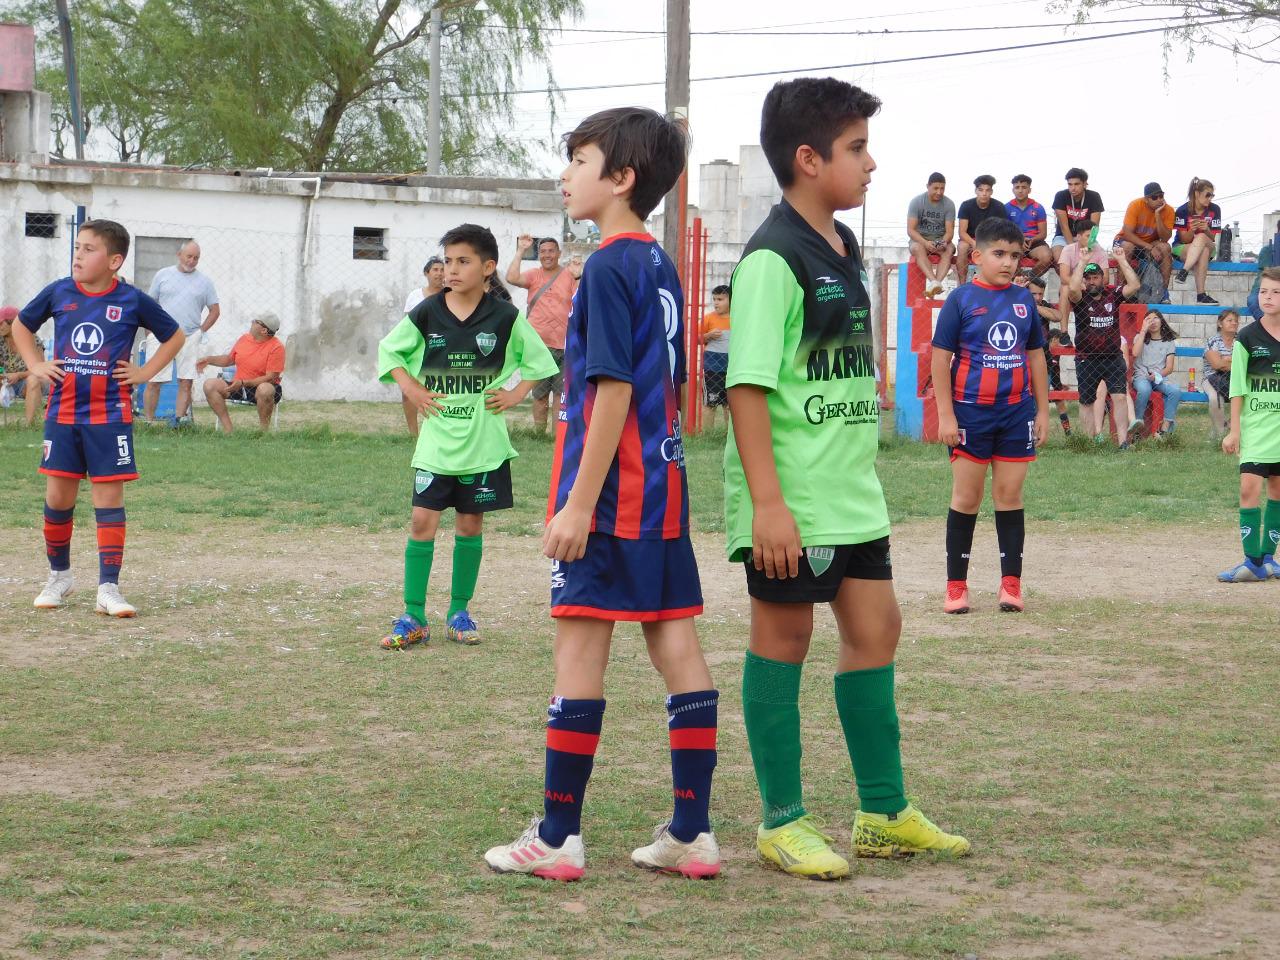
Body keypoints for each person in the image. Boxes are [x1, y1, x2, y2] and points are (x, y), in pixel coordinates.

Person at [724, 77, 968, 881]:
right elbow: (748, 386)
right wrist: (768, 505)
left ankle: (882, 811)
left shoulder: (842, 246)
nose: (871, 163)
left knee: (877, 632)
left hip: (853, 495)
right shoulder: (770, 258)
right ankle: (782, 821)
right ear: (807, 158)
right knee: (784, 641)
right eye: (856, 147)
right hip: (791, 501)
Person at [485, 107, 721, 882]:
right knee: (676, 646)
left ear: (621, 178)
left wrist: (578, 504)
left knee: (579, 645)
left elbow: (612, 391)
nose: (566, 174)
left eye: (579, 160)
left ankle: (557, 837)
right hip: (661, 491)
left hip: (613, 496)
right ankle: (692, 832)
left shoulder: (610, 266)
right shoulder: (657, 264)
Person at [376, 223, 558, 650]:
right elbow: (391, 351)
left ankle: (460, 611)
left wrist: (514, 394)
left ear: (488, 267)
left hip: (483, 442)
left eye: (463, 261)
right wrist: (414, 389)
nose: (451, 270)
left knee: (470, 524)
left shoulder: (506, 317)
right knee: (422, 521)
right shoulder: (427, 311)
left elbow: (538, 361)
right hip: (437, 440)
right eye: (447, 262)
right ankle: (414, 615)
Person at [10, 219, 184, 617]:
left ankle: (109, 588)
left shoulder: (132, 300)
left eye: (89, 249)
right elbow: (22, 325)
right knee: (58, 498)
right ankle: (59, 576)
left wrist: (143, 373)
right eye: (77, 247)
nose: (78, 254)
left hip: (110, 414)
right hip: (64, 413)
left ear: (114, 260)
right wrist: (35, 364)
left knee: (108, 497)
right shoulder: (59, 292)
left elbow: (174, 336)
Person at [932, 218, 1048, 616]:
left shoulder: (1024, 300)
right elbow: (939, 359)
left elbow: (1036, 357)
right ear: (977, 255)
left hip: (1016, 415)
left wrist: (1043, 412)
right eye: (999, 253)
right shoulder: (960, 300)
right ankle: (955, 587)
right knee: (966, 498)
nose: (1009, 262)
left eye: (1015, 255)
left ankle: (1010, 584)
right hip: (969, 415)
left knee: (1010, 497)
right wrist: (946, 416)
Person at [1219, 267, 1280, 582]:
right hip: (1256, 429)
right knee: (1248, 489)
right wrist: (1235, 430)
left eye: (1276, 292)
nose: (1268, 297)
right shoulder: (1247, 336)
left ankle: (1269, 559)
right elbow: (1238, 387)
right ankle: (1252, 562)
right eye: (1264, 291)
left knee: (1277, 491)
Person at [505, 235, 583, 433]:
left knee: (560, 394)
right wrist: (522, 250)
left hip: (564, 345)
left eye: (551, 251)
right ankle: (539, 434)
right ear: (539, 255)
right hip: (538, 347)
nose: (547, 255)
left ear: (559, 254)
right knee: (539, 395)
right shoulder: (534, 275)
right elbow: (511, 278)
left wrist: (579, 276)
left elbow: (582, 301)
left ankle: (557, 435)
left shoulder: (569, 275)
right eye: (543, 251)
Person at [141, 240, 220, 424]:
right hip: (162, 336)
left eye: (196, 258)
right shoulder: (163, 275)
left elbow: (215, 311)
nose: (192, 261)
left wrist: (201, 331)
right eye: (189, 256)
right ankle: (149, 422)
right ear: (179, 255)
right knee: (153, 380)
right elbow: (149, 305)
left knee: (186, 381)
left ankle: (178, 422)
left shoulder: (205, 282)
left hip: (190, 337)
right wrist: (150, 331)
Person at [1066, 255, 1141, 446]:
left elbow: (1134, 286)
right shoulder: (1080, 298)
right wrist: (1081, 261)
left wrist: (1122, 260)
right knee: (1087, 401)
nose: (1092, 282)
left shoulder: (1112, 294)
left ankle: (1124, 442)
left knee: (1120, 397)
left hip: (1113, 357)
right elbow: (1072, 288)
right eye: (1088, 278)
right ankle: (1088, 443)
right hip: (1087, 358)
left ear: (1102, 278)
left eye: (1096, 277)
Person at [197, 316, 285, 432]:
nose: (252, 322)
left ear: (264, 330)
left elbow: (270, 377)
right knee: (210, 385)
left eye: (256, 321)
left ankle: (264, 432)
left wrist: (244, 382)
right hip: (239, 385)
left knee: (265, 389)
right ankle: (229, 430)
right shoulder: (244, 338)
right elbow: (229, 359)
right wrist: (208, 360)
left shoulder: (277, 347)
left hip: (264, 387)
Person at [399, 256, 446, 437]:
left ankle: (436, 431)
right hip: (417, 349)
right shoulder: (415, 296)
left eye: (442, 270)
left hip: (441, 348)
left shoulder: (450, 294)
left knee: (437, 391)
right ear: (427, 273)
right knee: (409, 390)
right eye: (435, 269)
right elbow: (406, 325)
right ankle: (414, 434)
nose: (439, 273)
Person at [1020, 274, 1072, 435]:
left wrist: (1035, 306)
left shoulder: (1042, 305)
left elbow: (1058, 316)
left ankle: (1036, 434)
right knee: (1023, 399)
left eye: (1040, 294)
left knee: (1040, 399)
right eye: (1033, 294)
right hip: (1021, 358)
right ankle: (1023, 433)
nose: (1037, 297)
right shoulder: (1018, 303)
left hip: (1043, 359)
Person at [1129, 308, 1181, 440]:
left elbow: (1169, 368)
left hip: (1159, 378)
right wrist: (1143, 331)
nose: (1152, 321)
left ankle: (1165, 427)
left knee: (1174, 390)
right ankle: (1137, 425)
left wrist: (1158, 374)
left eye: (1156, 318)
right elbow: (1135, 353)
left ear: (1161, 321)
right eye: (1148, 319)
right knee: (1145, 389)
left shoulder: (1169, 342)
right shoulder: (1140, 337)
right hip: (1141, 376)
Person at [1115, 182, 1174, 295]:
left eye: (1161, 196)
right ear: (1146, 199)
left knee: (1165, 247)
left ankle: (1163, 293)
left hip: (1149, 244)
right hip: (1128, 241)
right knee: (1127, 247)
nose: (1159, 200)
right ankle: (1119, 292)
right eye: (1154, 197)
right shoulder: (1135, 205)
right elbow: (1127, 234)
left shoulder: (1168, 210)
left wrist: (1157, 215)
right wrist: (1150, 247)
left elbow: (1165, 238)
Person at [1173, 177, 1222, 304]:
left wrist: (1205, 229)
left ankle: (1184, 271)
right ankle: (1201, 295)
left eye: (1212, 195)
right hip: (1184, 247)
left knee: (1202, 238)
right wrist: (1192, 230)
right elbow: (1184, 239)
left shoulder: (1214, 209)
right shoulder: (1182, 210)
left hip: (1208, 243)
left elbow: (1212, 237)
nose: (1210, 198)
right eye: (1207, 195)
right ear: (1197, 193)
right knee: (1203, 251)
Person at [906, 172, 955, 298]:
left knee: (949, 249)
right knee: (917, 248)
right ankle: (934, 282)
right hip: (920, 240)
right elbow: (911, 230)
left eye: (942, 188)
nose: (939, 192)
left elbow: (949, 232)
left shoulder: (949, 204)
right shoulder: (916, 202)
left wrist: (941, 242)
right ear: (928, 186)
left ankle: (935, 284)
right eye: (936, 188)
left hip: (940, 240)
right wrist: (925, 243)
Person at [0, 304, 48, 426]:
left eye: (1, 323)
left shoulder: (31, 339)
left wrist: (18, 375)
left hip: (27, 382)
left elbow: (40, 369)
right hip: (7, 382)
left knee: (33, 380)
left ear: (12, 323)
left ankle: (29, 424)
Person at [956, 175, 1006, 285]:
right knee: (962, 247)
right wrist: (974, 243)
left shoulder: (999, 207)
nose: (984, 193)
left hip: (990, 240)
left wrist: (985, 243)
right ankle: (962, 284)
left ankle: (993, 283)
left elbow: (1002, 231)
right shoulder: (966, 205)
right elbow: (962, 232)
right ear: (976, 191)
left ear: (991, 192)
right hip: (970, 240)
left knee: (1000, 249)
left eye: (987, 190)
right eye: (981, 190)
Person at [1050, 167, 1104, 263]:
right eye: (1070, 184)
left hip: (1086, 236)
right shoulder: (1061, 196)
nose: (1073, 188)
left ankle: (1085, 278)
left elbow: (1094, 228)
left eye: (1077, 184)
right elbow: (1064, 226)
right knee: (1060, 259)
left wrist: (1088, 246)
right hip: (1063, 236)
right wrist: (1073, 249)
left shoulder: (1094, 197)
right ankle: (1068, 278)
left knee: (1097, 259)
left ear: (1085, 184)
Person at [1203, 308, 1239, 440]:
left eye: (1236, 321)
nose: (1234, 323)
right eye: (1229, 320)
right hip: (1211, 378)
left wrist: (1225, 360)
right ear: (1220, 323)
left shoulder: (1241, 341)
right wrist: (1233, 360)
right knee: (1214, 398)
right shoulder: (1213, 341)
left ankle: (1227, 425)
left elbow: (1247, 364)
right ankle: (1219, 435)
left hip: (1234, 377)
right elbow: (1216, 365)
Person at [1006, 174, 1052, 277]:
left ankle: (1028, 279)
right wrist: (1020, 240)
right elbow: (1005, 232)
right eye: (1017, 187)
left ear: (1029, 190)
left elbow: (1043, 233)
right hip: (1015, 242)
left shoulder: (1038, 207)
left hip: (1034, 242)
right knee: (1011, 259)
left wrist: (1031, 240)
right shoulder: (1006, 208)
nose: (1020, 190)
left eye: (1024, 187)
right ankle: (1018, 281)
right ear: (1013, 189)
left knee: (1047, 257)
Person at [700, 284, 731, 428]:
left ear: (731, 300)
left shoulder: (737, 319)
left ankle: (728, 434)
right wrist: (708, 335)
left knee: (729, 405)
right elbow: (696, 339)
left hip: (732, 368)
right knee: (710, 403)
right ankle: (707, 434)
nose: (716, 302)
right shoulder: (708, 318)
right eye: (714, 299)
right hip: (712, 368)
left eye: (720, 299)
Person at [1057, 218, 1111, 287]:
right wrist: (1079, 285)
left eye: (1093, 236)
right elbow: (1064, 278)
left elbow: (1105, 279)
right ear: (1079, 237)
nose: (1092, 239)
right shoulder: (1068, 249)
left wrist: (1088, 285)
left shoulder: (1100, 251)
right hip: (1075, 287)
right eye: (1088, 236)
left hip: (1093, 287)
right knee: (1065, 287)